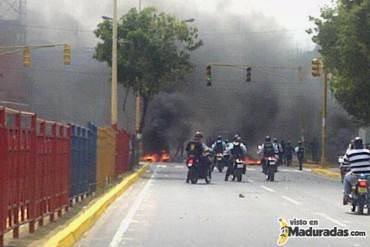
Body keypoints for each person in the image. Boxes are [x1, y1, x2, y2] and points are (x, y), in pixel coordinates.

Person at [343, 137, 370, 204]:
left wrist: (345, 166)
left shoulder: (349, 153)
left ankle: (347, 195)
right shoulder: (367, 152)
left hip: (355, 176)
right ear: (362, 144)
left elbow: (344, 163)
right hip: (368, 175)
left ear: (354, 144)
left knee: (346, 178)